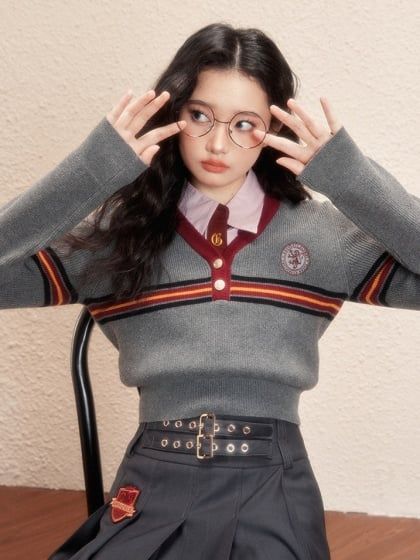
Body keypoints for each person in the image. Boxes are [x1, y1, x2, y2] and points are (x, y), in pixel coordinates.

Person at [2, 22, 419, 560]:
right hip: (150, 490)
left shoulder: (321, 235)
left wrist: (350, 178)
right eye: (200, 116)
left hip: (274, 491)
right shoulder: (116, 238)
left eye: (245, 124)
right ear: (173, 114)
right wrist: (91, 173)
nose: (218, 143)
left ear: (274, 130)